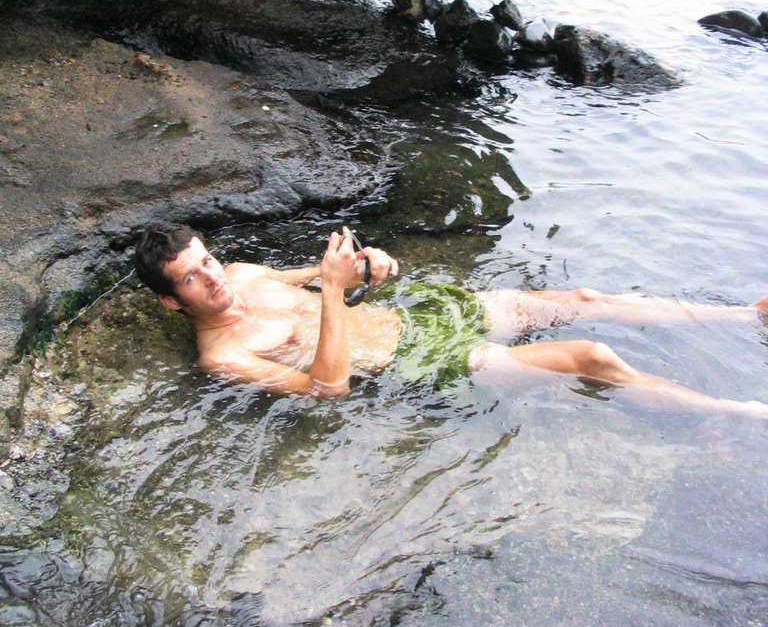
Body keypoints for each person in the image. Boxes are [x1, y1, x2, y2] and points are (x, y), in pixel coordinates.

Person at [134, 221, 768, 417]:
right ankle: (745, 415)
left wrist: (367, 265)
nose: (215, 278)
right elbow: (328, 389)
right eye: (193, 278)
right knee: (590, 357)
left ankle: (745, 316)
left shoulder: (244, 273)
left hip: (421, 316)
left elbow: (330, 274)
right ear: (172, 300)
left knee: (580, 299)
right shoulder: (223, 357)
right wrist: (332, 295)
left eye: (208, 260)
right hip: (420, 361)